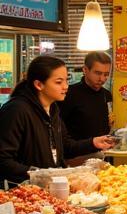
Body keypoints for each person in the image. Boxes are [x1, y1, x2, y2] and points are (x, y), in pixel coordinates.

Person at [0, 55, 115, 184]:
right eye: (59, 82)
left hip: (52, 186)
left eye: (66, 80)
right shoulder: (16, 110)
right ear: (39, 84)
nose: (66, 86)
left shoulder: (53, 109)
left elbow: (65, 146)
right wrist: (38, 174)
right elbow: (3, 160)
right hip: (22, 191)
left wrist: (93, 142)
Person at [58, 51, 113, 143]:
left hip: (103, 151)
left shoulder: (107, 95)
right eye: (98, 73)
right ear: (85, 70)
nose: (102, 79)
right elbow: (58, 129)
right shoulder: (68, 94)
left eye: (106, 74)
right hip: (76, 154)